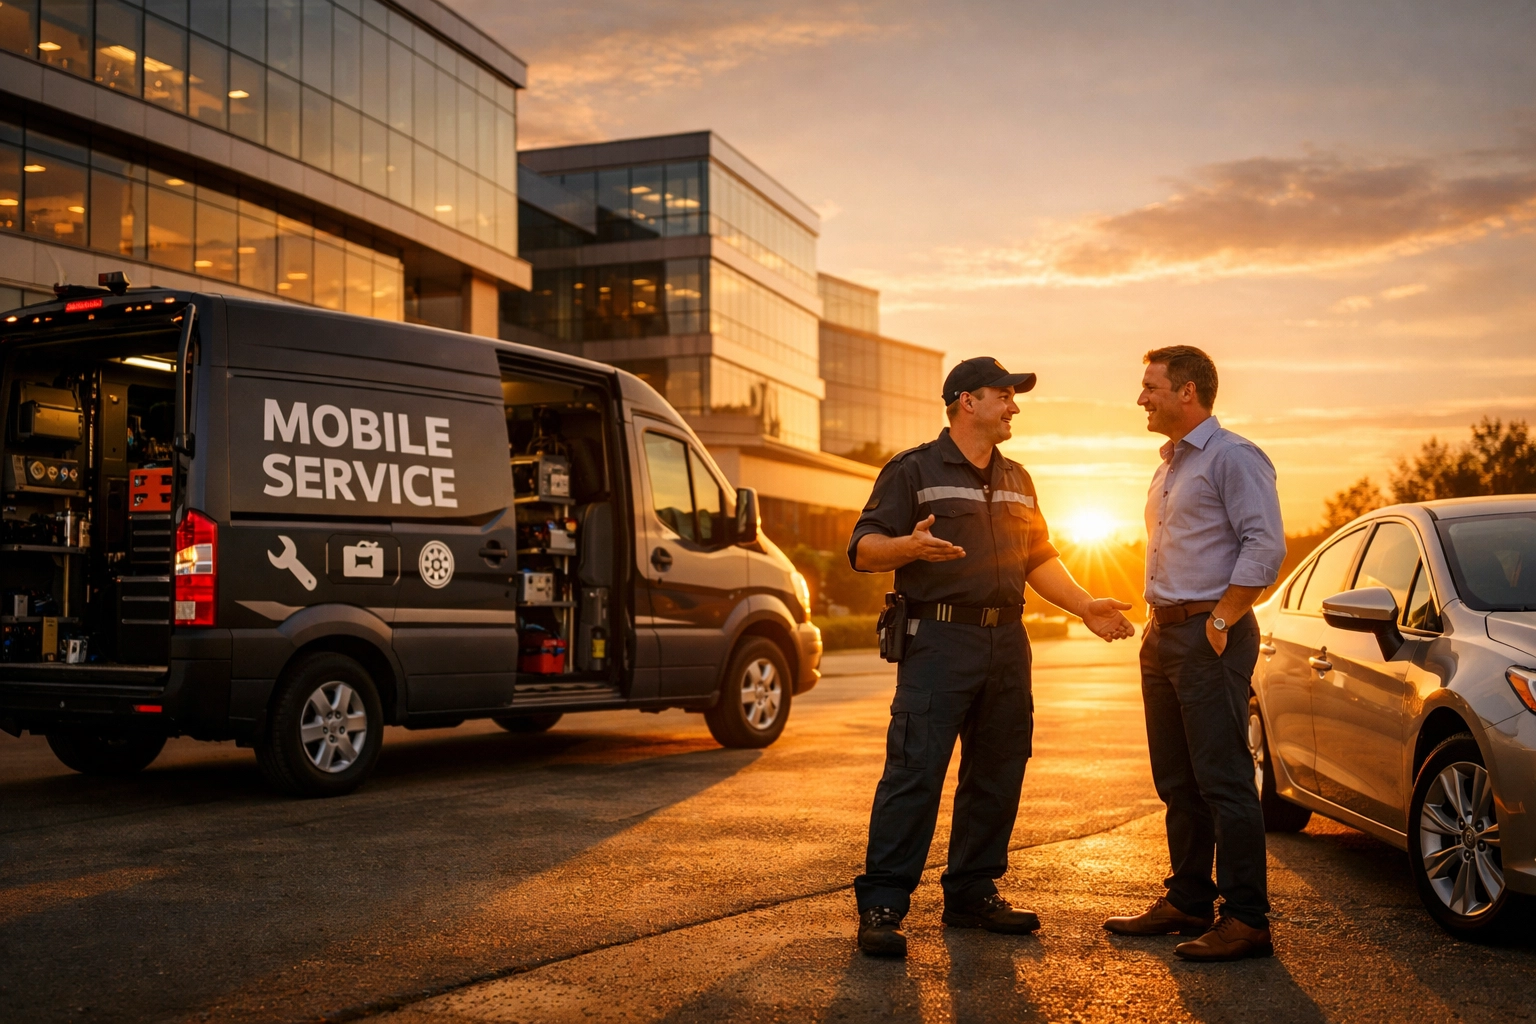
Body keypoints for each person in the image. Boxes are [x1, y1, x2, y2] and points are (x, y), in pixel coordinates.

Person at [848, 356, 1136, 958]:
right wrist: (909, 547)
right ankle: (883, 903)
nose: (1013, 405)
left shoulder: (1018, 478)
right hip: (937, 642)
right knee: (915, 771)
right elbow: (864, 549)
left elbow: (1039, 560)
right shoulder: (912, 470)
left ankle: (973, 892)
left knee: (999, 770)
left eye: (1013, 395)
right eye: (1002, 395)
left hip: (1006, 642)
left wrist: (1085, 606)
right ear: (964, 402)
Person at [1103, 345, 1286, 961]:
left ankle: (1246, 919)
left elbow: (1264, 545)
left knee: (1224, 779)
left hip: (1210, 634)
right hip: (1164, 634)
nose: (1141, 398)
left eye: (1151, 386)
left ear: (1187, 391)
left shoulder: (1234, 457)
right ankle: (1187, 899)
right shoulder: (1170, 467)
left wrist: (1221, 618)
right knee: (1177, 780)